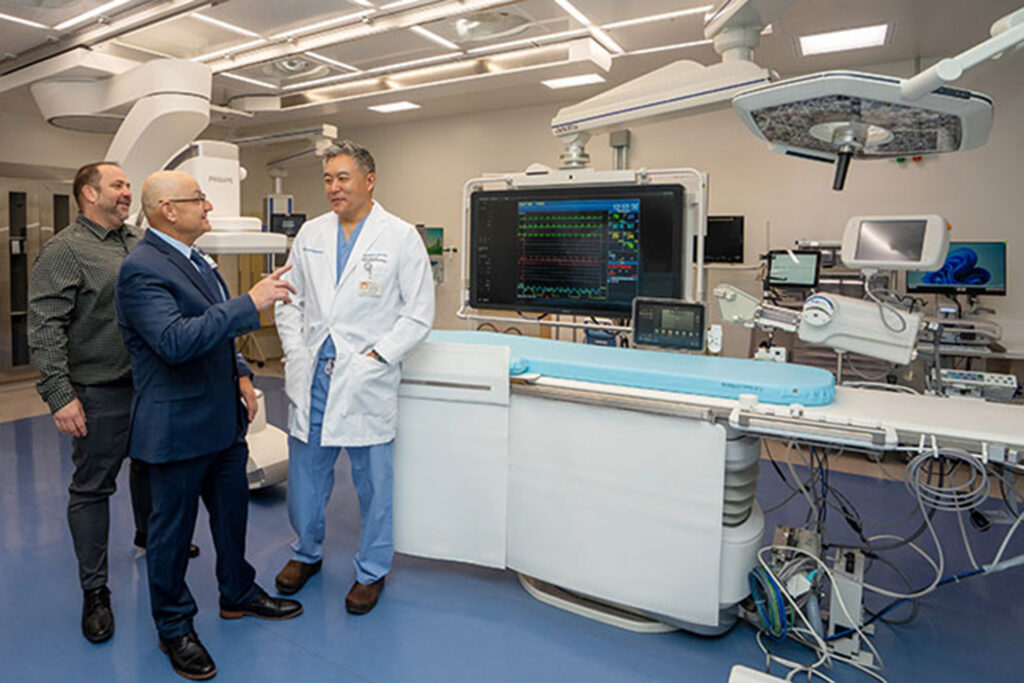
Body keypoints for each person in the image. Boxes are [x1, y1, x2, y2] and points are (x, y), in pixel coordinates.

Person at [116, 170, 302, 680]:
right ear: (167, 210)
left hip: (222, 420)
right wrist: (252, 303)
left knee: (232, 516)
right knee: (171, 534)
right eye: (199, 199)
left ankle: (237, 592)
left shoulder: (196, 261)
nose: (209, 207)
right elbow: (174, 341)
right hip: (176, 427)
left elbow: (215, 330)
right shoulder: (141, 270)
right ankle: (174, 626)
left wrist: (242, 373)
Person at [274, 140, 434, 615]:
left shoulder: (401, 237)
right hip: (314, 373)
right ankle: (306, 553)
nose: (333, 188)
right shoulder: (311, 233)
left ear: (369, 180)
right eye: (327, 179)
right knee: (305, 478)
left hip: (365, 377)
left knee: (374, 484)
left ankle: (372, 569)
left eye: (343, 178)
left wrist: (377, 356)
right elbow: (288, 297)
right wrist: (294, 351)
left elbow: (418, 314)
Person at [27, 161, 171, 645]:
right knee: (92, 489)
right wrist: (60, 395)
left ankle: (150, 537)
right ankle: (95, 592)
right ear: (89, 194)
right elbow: (44, 327)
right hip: (99, 390)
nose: (127, 192)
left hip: (149, 387)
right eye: (118, 185)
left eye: (129, 185)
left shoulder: (138, 243)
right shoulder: (66, 250)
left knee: (151, 468)